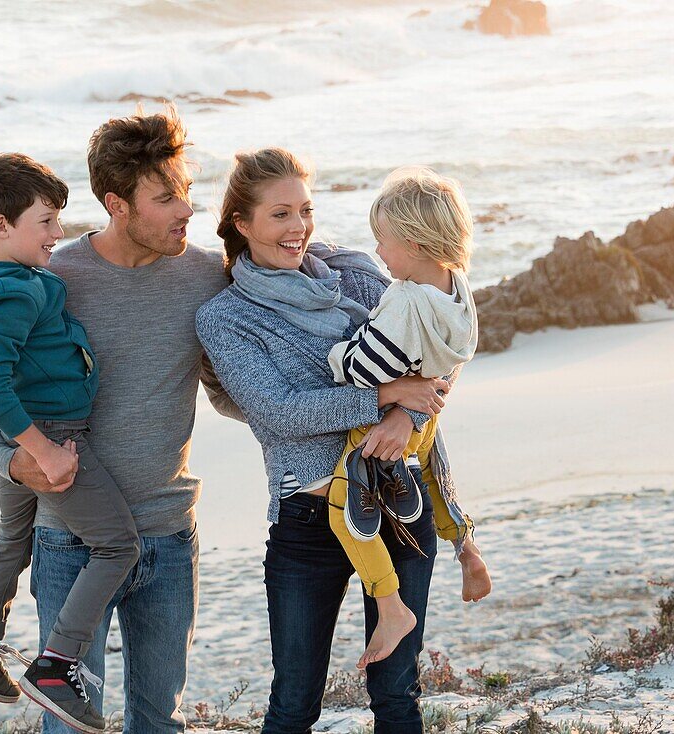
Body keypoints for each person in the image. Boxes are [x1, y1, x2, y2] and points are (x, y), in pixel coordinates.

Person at [0, 110, 241, 734]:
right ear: (117, 203)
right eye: (166, 198)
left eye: (186, 192)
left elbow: (231, 390)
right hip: (66, 542)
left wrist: (370, 393)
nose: (186, 210)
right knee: (67, 726)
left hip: (169, 534)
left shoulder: (203, 278)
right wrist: (12, 459)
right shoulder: (50, 279)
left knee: (158, 721)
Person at [195, 148, 474, 733]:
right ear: (242, 224)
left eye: (305, 210)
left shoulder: (356, 274)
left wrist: (405, 420)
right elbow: (278, 413)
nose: (298, 228)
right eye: (279, 215)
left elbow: (437, 354)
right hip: (308, 520)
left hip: (400, 500)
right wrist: (383, 397)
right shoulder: (226, 317)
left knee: (398, 695)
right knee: (295, 704)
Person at [0, 151, 138, 733]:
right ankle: (56, 663)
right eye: (45, 221)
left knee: (13, 538)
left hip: (29, 435)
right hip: (54, 436)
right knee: (118, 545)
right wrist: (43, 451)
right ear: (1, 226)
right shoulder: (18, 291)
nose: (57, 233)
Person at [325, 167, 492, 671]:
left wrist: (337, 353)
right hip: (427, 418)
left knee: (345, 509)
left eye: (383, 242)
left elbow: (363, 371)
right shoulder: (457, 288)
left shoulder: (403, 300)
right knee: (433, 479)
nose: (378, 254)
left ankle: (389, 603)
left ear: (416, 244)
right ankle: (465, 544)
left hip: (377, 429)